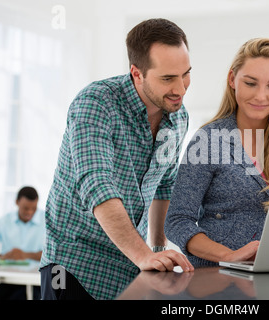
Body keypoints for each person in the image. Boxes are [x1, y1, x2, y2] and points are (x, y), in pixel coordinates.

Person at [39, 18, 194, 301]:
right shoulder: (96, 103)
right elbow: (97, 184)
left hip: (129, 269)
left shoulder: (179, 117)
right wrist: (144, 254)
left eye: (185, 74)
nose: (181, 89)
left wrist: (157, 251)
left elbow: (164, 186)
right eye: (168, 78)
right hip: (73, 266)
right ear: (137, 73)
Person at [164, 38, 269, 267]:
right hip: (216, 280)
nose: (260, 96)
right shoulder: (208, 140)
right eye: (251, 83)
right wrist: (228, 256)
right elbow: (177, 221)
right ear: (232, 79)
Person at [0, 186, 44, 299]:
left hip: (36, 282)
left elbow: (56, 254)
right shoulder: (4, 221)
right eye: (26, 208)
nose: (30, 212)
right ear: (17, 202)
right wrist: (2, 257)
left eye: (34, 208)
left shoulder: (47, 220)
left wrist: (26, 255)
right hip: (7, 280)